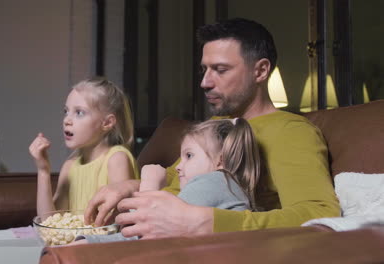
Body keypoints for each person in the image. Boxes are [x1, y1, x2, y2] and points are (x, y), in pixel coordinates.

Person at [85, 18, 340, 238]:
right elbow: (174, 178)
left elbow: (319, 213)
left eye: (220, 70)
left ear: (261, 71)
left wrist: (206, 223)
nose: (205, 82)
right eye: (204, 70)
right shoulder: (216, 127)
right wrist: (128, 186)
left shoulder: (290, 131)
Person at [76, 118, 259, 243]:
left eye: (189, 155)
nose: (178, 166)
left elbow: (142, 234)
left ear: (221, 160)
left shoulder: (215, 181)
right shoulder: (227, 187)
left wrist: (150, 185)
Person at [29, 77, 139, 217]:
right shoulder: (69, 166)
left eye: (79, 112)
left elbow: (121, 220)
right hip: (78, 239)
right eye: (66, 111)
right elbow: (48, 221)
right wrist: (43, 170)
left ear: (106, 123)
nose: (67, 120)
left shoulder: (117, 159)